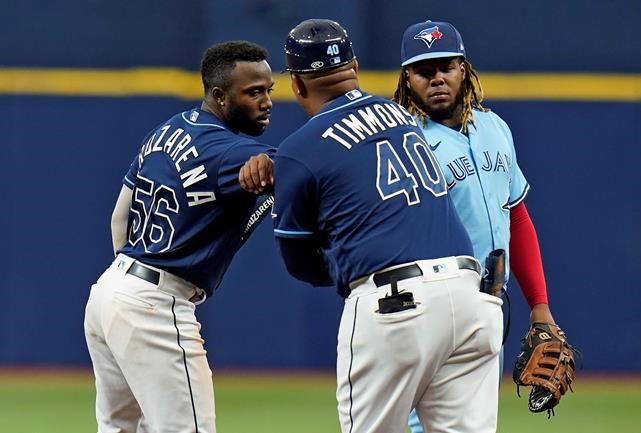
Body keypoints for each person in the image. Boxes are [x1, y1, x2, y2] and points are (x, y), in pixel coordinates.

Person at [271, 18, 503, 433]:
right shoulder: (400, 117)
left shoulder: (298, 151)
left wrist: (344, 263)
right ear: (355, 67)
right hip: (471, 297)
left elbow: (300, 261)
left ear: (297, 85)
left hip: (396, 305)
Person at [84, 40, 276, 433]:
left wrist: (127, 282)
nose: (267, 101)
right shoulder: (227, 150)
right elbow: (296, 168)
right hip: (155, 299)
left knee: (118, 428)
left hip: (111, 290)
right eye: (254, 92)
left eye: (268, 90)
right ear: (220, 96)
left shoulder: (167, 130)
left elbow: (118, 217)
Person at [392, 20, 557, 433]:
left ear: (463, 69)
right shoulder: (400, 141)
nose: (436, 79)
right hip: (430, 304)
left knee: (476, 424)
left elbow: (515, 216)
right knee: (420, 424)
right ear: (406, 79)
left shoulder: (495, 128)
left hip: (489, 302)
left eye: (445, 66)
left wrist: (539, 305)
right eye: (423, 71)